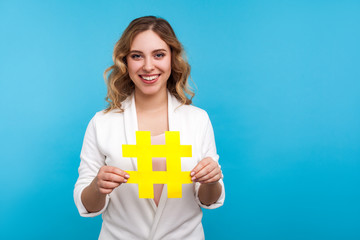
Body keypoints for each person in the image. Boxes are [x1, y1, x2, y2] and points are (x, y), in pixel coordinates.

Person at [74, 16, 225, 240]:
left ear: (172, 58)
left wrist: (212, 179)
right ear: (125, 60)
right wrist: (97, 186)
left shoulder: (197, 120)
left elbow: (208, 200)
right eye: (137, 56)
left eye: (159, 55)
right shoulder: (102, 123)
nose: (148, 66)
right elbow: (88, 206)